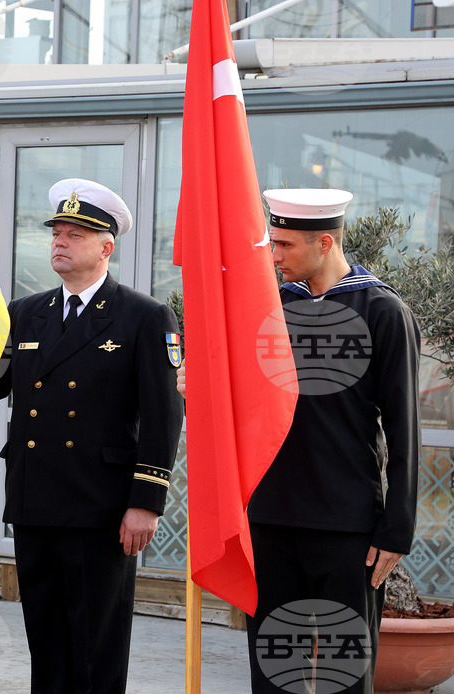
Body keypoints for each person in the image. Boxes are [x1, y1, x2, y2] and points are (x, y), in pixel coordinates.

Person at [178, 188, 421, 693]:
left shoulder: (383, 311)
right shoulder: (265, 310)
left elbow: (403, 429)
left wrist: (396, 530)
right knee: (274, 675)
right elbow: (238, 408)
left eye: (285, 245)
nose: (274, 255)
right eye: (273, 242)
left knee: (343, 677)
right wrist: (197, 394)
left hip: (348, 527)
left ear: (325, 243)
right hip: (269, 522)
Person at [0, 178, 185, 694]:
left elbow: (164, 416)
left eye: (75, 233)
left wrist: (147, 501)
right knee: (45, 643)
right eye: (56, 232)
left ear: (106, 246)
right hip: (35, 502)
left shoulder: (143, 317)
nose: (60, 241)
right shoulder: (26, 312)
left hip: (101, 510)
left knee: (96, 648)